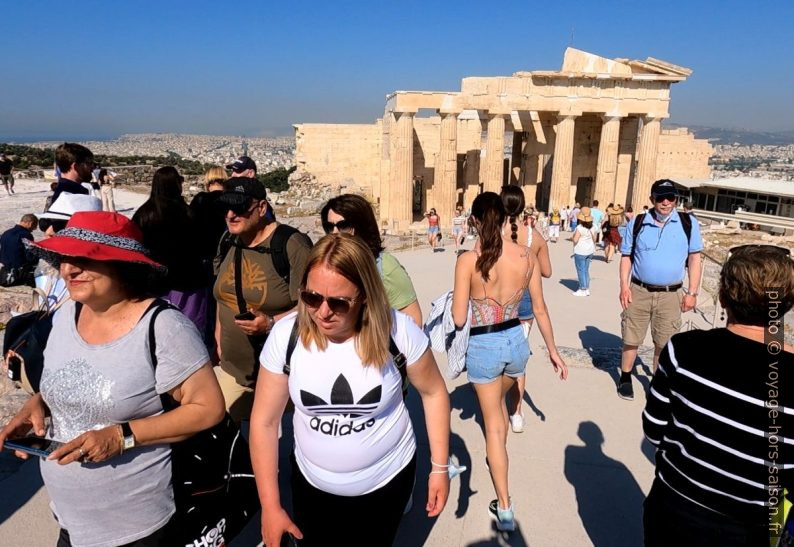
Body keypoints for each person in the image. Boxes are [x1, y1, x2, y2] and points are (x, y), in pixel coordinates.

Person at [0, 211, 225, 547]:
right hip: (69, 522)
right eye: (64, 258)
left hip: (138, 528)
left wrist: (123, 438)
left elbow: (208, 408)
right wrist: (39, 404)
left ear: (124, 265)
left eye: (84, 260)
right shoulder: (66, 316)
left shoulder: (163, 327)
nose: (67, 270)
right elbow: (79, 378)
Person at [250, 234, 450, 547]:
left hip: (386, 483)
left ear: (366, 296)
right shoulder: (286, 337)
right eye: (312, 297)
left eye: (339, 302)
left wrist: (440, 468)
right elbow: (263, 422)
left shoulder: (398, 331)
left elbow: (435, 393)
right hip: (311, 487)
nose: (323, 312)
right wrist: (270, 507)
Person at [642, 244, 794, 546]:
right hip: (750, 526)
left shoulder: (683, 349)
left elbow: (653, 429)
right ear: (788, 303)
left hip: (675, 508)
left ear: (722, 296)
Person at [452, 192, 567, 532]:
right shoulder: (526, 255)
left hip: (484, 345)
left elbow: (460, 318)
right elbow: (541, 309)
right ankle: (506, 421)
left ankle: (504, 507)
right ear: (505, 218)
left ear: (474, 220)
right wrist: (554, 353)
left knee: (494, 428)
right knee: (501, 405)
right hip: (517, 342)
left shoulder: (467, 261)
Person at [214, 177, 312, 423]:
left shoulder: (290, 245)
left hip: (280, 373)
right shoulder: (228, 241)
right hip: (232, 370)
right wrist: (218, 338)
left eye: (239, 208)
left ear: (261, 208)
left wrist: (271, 322)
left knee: (272, 446)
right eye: (226, 207)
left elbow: (313, 305)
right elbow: (222, 295)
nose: (230, 215)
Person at [617, 179, 703, 400]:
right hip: (639, 289)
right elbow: (626, 256)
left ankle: (656, 382)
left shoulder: (688, 223)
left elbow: (695, 259)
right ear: (652, 199)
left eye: (670, 197)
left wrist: (692, 293)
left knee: (663, 342)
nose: (666, 202)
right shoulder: (638, 222)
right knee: (631, 336)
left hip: (671, 293)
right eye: (660, 197)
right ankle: (625, 376)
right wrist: (623, 286)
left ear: (676, 199)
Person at [133, 166, 211, 343]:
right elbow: (201, 244)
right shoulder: (187, 213)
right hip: (188, 281)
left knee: (157, 331)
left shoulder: (143, 214)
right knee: (191, 331)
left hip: (155, 283)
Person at [321, 194, 423, 326]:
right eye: (330, 226)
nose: (335, 232)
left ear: (361, 226)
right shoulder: (326, 263)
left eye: (343, 225)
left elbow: (413, 320)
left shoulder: (385, 266)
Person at [500, 186, 552, 433]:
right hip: (525, 303)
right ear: (523, 207)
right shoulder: (534, 237)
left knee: (497, 352)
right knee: (518, 359)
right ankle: (517, 412)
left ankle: (495, 403)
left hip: (498, 300)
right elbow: (547, 271)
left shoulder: (494, 232)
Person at [189, 165, 229, 266]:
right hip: (225, 255)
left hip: (201, 254)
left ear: (207, 181)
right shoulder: (230, 200)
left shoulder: (200, 199)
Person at [0, 214, 38, 287]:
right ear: (30, 223)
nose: (34, 229)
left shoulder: (6, 233)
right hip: (18, 272)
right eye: (34, 226)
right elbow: (30, 256)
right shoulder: (26, 235)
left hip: (4, 270)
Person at [571, 207, 596, 296]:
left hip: (580, 251)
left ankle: (582, 289)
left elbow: (575, 240)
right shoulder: (593, 227)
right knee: (586, 270)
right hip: (590, 250)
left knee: (580, 270)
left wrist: (572, 237)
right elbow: (595, 239)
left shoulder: (579, 227)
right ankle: (586, 288)